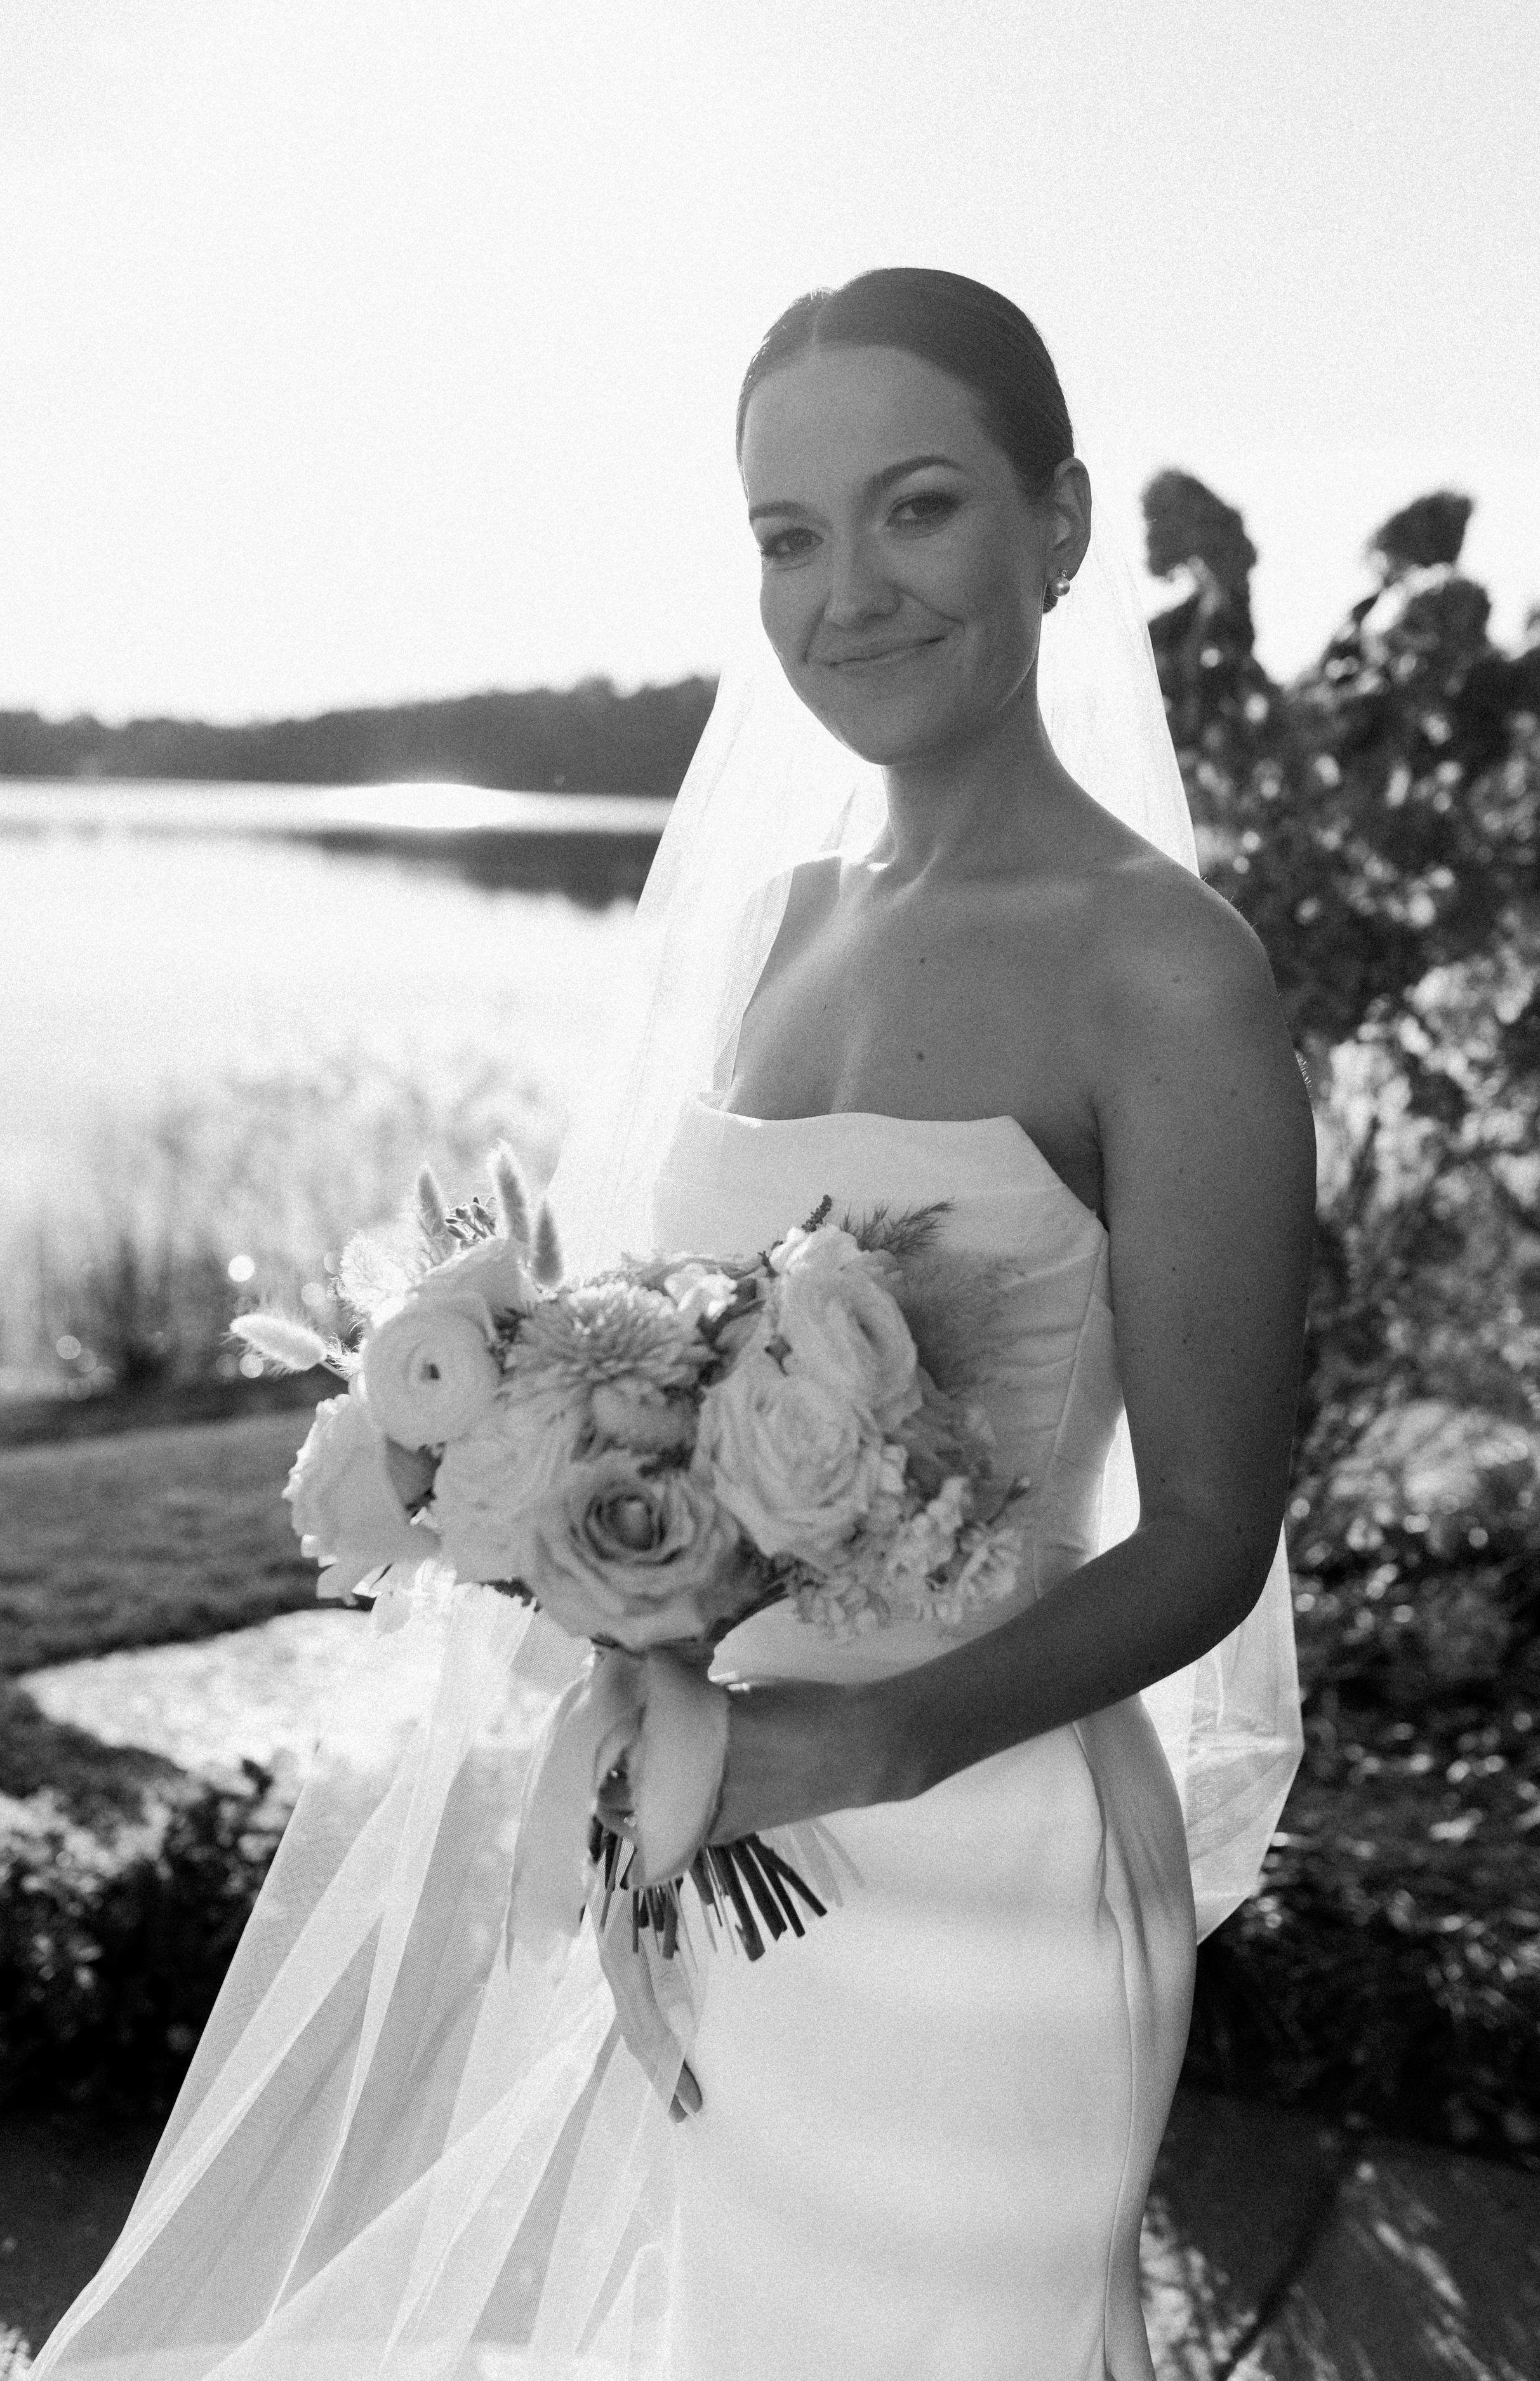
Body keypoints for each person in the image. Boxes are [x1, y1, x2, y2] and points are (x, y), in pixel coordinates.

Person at [32, 269, 1312, 2381]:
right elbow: (658, 1355)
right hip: (714, 1822)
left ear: (1058, 524)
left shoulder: (1163, 976)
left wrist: (862, 1742)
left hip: (973, 1859)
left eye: (915, 509)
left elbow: (1205, 1538)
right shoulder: (773, 930)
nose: (846, 591)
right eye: (786, 537)